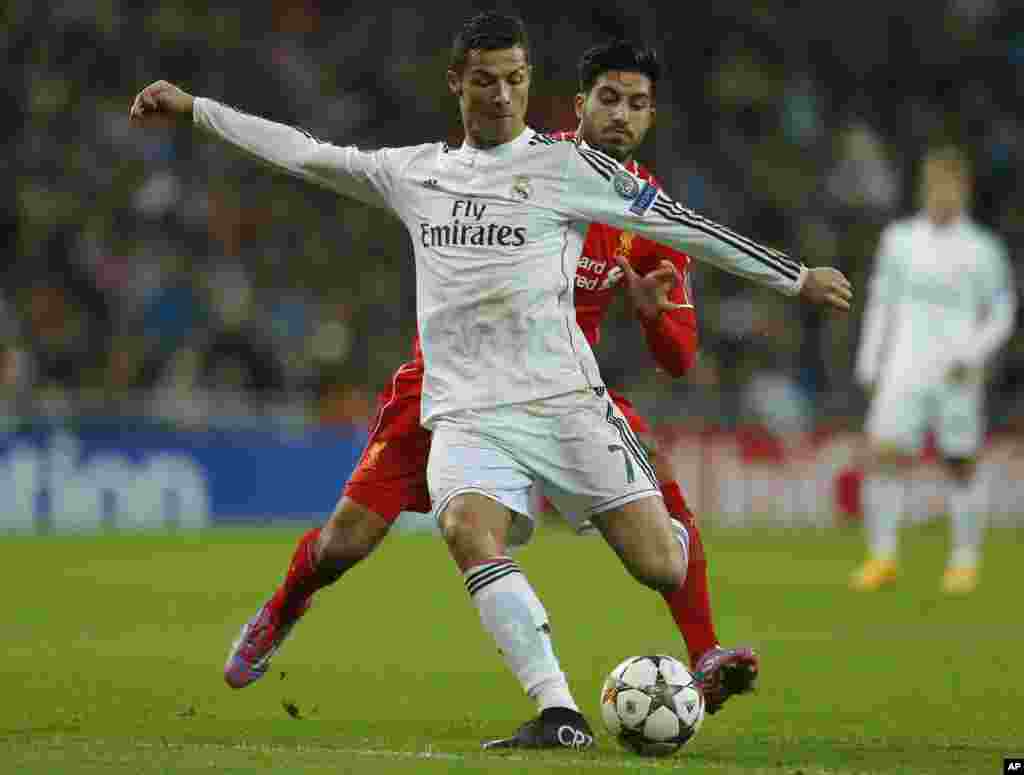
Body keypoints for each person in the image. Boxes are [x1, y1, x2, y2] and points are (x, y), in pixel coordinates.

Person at [131, 13, 852, 750]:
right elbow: (305, 154)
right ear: (457, 83)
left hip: (564, 400)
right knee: (433, 532)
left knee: (661, 561)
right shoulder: (414, 172)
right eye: (485, 81)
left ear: (532, 82)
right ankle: (559, 713)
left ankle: (687, 618)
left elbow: (685, 225)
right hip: (462, 408)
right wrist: (196, 110)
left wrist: (796, 278)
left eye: (515, 80)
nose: (502, 96)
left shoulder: (575, 170)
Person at [216, 39, 757, 718]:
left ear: (652, 117)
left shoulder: (644, 210)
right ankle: (284, 605)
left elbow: (679, 357)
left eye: (638, 104)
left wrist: (655, 319)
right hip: (449, 383)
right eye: (609, 99)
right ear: (579, 102)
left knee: (654, 468)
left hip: (558, 385)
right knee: (344, 540)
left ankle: (703, 653)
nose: (621, 115)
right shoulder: (530, 163)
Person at [852, 145, 1015, 594]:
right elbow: (881, 302)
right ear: (925, 188)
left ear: (963, 191)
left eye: (951, 185)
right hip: (903, 364)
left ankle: (964, 561)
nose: (942, 193)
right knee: (884, 456)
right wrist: (870, 359)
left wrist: (974, 354)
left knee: (960, 462)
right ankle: (882, 557)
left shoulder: (983, 249)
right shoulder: (899, 239)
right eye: (935, 184)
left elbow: (1002, 311)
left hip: (957, 369)